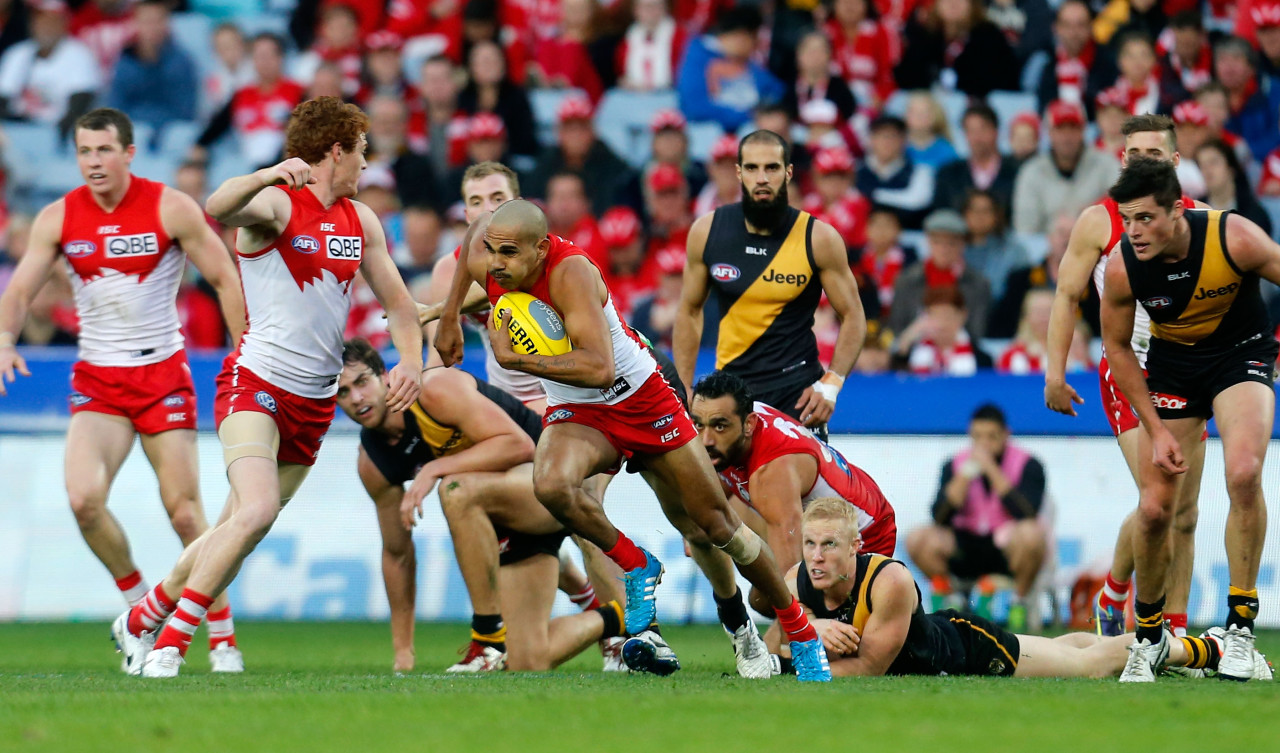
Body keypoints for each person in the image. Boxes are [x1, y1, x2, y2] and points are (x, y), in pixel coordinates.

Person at [435, 198, 836, 681]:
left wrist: (518, 361)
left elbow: (599, 368)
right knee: (551, 484)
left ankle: (799, 631)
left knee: (716, 525)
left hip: (639, 398)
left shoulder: (571, 273)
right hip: (580, 409)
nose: (496, 265)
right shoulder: (490, 252)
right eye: (492, 252)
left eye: (508, 254)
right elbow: (469, 246)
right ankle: (636, 564)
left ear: (540, 249)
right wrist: (449, 315)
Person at [113, 97, 425, 679]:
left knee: (235, 531)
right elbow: (217, 204)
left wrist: (410, 361)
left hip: (313, 405)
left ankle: (141, 617)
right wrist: (267, 172)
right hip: (255, 383)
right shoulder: (279, 203)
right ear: (337, 150)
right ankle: (171, 646)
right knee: (253, 512)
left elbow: (401, 307)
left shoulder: (363, 222)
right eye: (361, 153)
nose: (366, 166)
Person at [0, 108, 248, 673]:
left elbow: (224, 276)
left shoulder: (170, 206)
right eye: (85, 152)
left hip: (162, 374)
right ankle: (139, 606)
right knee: (84, 501)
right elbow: (19, 290)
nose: (94, 162)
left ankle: (222, 635)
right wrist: (4, 339)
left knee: (186, 514)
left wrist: (244, 351)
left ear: (129, 153)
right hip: (99, 381)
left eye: (104, 150)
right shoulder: (59, 217)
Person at [338, 339, 625, 673]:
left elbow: (517, 444)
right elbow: (397, 554)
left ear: (385, 376)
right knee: (526, 660)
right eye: (343, 392)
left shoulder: (431, 390)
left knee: (456, 489)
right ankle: (620, 618)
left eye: (361, 382)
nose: (356, 398)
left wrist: (433, 468)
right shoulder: (372, 462)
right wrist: (403, 650)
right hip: (504, 517)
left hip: (547, 486)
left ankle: (487, 638)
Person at [1100, 157, 1279, 682]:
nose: (1134, 232)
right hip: (1173, 368)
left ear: (1178, 210)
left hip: (1240, 356)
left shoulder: (1234, 237)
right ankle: (1150, 638)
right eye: (1127, 219)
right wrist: (1155, 430)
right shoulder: (1122, 267)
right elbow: (1115, 347)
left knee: (1243, 473)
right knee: (1155, 510)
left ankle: (1240, 631)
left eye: (1145, 219)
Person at [1044, 114, 1208, 641]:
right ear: (1122, 160)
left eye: (1154, 155)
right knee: (1160, 500)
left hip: (1188, 370)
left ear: (1175, 163)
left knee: (1182, 513)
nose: (1143, 163)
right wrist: (1054, 371)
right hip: (1128, 369)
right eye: (1134, 154)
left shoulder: (1204, 221)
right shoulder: (1100, 221)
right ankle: (1118, 593)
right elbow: (1067, 295)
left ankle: (1173, 632)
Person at [787, 497, 1241, 679]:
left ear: (855, 546)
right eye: (810, 544)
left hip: (967, 650)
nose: (817, 556)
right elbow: (779, 638)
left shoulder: (890, 580)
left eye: (829, 544)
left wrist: (800, 650)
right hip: (946, 647)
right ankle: (1164, 649)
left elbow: (868, 668)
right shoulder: (796, 579)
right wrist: (813, 624)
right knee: (1068, 647)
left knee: (1086, 666)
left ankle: (1204, 650)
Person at [674, 130, 867, 439]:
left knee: (789, 487)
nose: (761, 177)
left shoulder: (818, 238)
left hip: (797, 391)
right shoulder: (707, 232)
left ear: (788, 172)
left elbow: (854, 315)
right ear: (739, 172)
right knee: (723, 489)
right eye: (752, 168)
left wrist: (832, 383)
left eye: (772, 168)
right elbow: (689, 311)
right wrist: (683, 385)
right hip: (731, 391)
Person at [691, 369, 897, 586]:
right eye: (698, 425)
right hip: (850, 502)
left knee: (792, 602)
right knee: (762, 598)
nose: (706, 440)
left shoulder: (772, 472)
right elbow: (707, 505)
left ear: (748, 424)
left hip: (866, 534)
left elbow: (791, 583)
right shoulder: (733, 425)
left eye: (719, 427)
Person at [907, 404, 1047, 631]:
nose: (984, 444)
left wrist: (992, 470)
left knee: (1032, 534)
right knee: (917, 538)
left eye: (991, 437)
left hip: (1007, 548)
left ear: (1005, 435)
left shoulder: (1029, 464)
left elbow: (1028, 512)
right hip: (966, 545)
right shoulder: (955, 464)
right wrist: (962, 479)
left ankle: (1018, 603)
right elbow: (939, 518)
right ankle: (953, 600)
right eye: (978, 437)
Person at [1012, 101, 1121, 236]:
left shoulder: (1107, 164)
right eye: (1060, 129)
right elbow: (1025, 229)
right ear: (1049, 132)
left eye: (1073, 128)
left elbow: (1121, 212)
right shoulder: (1032, 171)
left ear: (1083, 130)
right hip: (1048, 251)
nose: (1067, 136)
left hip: (1097, 246)